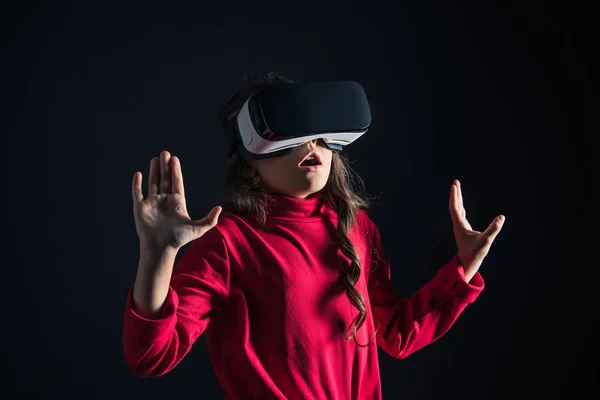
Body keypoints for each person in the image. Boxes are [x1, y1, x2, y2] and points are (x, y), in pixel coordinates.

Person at [122, 72, 505, 400]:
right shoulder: (227, 241)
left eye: (322, 137)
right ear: (251, 163)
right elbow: (152, 356)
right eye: (294, 136)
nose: (312, 146)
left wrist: (464, 269)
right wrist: (158, 254)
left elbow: (396, 333)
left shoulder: (355, 228)